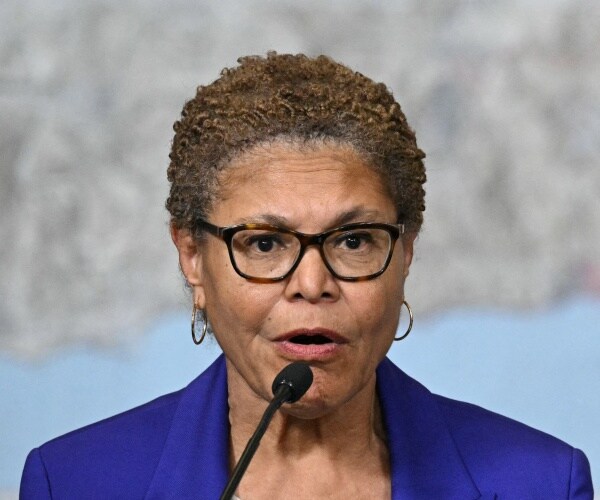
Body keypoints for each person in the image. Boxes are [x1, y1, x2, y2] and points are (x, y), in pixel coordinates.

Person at [20, 52, 593, 499]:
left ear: (405, 254)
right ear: (192, 257)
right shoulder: (72, 482)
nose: (312, 284)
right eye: (265, 243)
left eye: (354, 241)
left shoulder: (540, 483)